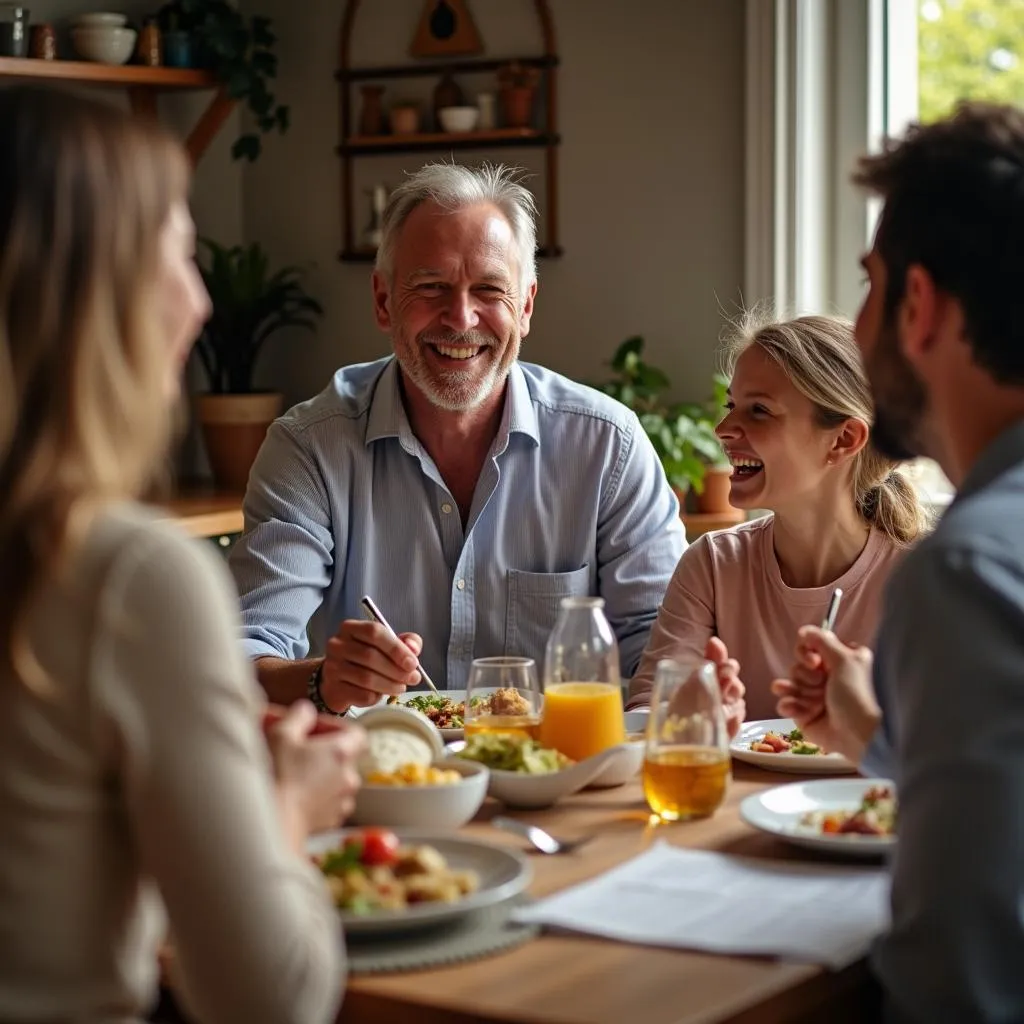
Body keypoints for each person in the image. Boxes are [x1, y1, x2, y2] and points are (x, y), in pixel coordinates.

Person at [0, 86, 364, 1024]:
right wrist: (285, 808)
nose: (201, 304)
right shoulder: (130, 577)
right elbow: (270, 997)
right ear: (94, 293)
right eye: (180, 255)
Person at [229, 162, 685, 715]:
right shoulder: (309, 449)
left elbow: (663, 657)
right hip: (380, 783)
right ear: (382, 300)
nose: (461, 317)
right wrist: (324, 681)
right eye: (431, 287)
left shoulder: (607, 446)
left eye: (489, 289)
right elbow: (245, 657)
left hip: (564, 778)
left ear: (527, 306)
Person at [773, 101, 1024, 1023]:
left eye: (869, 284)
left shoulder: (964, 572)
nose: (858, 318)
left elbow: (961, 985)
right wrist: (881, 738)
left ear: (919, 306)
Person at [626, 313, 930, 729]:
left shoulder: (920, 583)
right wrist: (687, 714)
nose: (723, 429)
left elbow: (952, 752)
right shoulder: (712, 566)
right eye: (732, 405)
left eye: (759, 411)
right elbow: (647, 710)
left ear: (843, 440)